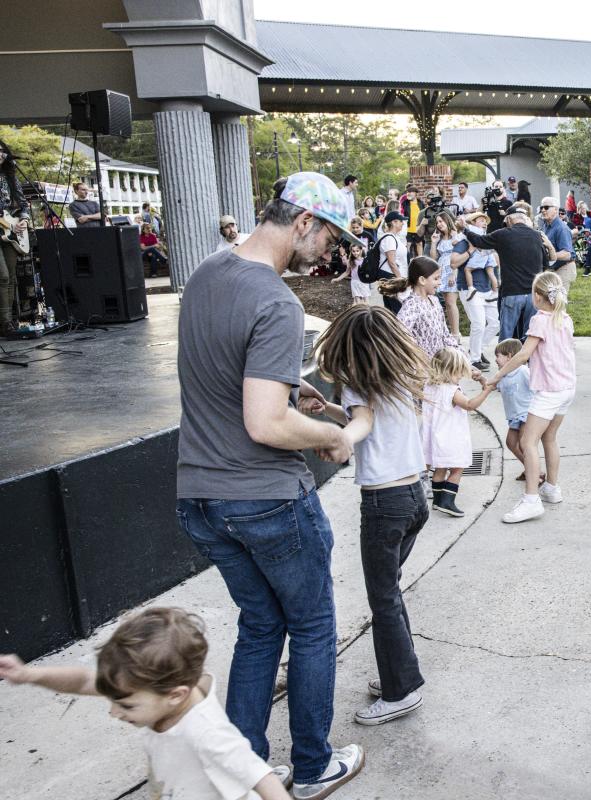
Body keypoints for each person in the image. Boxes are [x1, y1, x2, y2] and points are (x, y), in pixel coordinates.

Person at [174, 171, 365, 798]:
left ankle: (241, 770)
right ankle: (312, 767)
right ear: (303, 221)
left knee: (260, 626)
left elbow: (226, 373)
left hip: (199, 497)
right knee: (311, 628)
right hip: (266, 500)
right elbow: (265, 423)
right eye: (329, 237)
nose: (329, 254)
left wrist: (290, 385)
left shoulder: (206, 272)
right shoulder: (278, 301)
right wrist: (329, 437)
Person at [0, 608, 292, 800]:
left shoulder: (207, 732)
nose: (113, 712)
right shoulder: (152, 690)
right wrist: (28, 674)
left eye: (126, 706)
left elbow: (261, 777)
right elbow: (81, 681)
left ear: (175, 694)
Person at [307, 304, 430, 725]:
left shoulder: (361, 383)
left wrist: (341, 438)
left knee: (383, 599)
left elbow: (361, 422)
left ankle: (402, 691)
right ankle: (401, 672)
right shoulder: (394, 381)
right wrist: (329, 410)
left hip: (384, 505)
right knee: (390, 593)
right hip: (415, 497)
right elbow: (366, 418)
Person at [487, 270, 576, 524]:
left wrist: (497, 376)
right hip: (567, 388)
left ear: (537, 297)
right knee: (550, 437)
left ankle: (531, 500)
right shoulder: (564, 318)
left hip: (549, 391)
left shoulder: (540, 320)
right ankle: (552, 488)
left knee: (527, 442)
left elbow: (523, 355)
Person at [423, 347, 494, 516]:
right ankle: (447, 502)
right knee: (457, 469)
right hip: (451, 437)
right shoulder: (452, 391)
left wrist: (476, 375)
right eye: (459, 373)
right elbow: (470, 405)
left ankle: (438, 501)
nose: (461, 376)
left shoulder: (430, 385)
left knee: (440, 469)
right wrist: (486, 390)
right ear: (450, 371)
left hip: (435, 437)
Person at [465, 207, 552, 341]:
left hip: (512, 293)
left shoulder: (503, 234)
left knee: (506, 337)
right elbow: (545, 264)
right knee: (529, 336)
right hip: (533, 294)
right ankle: (527, 361)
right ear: (524, 219)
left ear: (509, 219)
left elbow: (479, 241)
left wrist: (465, 229)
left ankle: (506, 361)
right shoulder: (537, 235)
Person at [381, 256, 462, 360]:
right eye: (436, 278)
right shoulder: (412, 305)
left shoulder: (435, 301)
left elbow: (445, 335)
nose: (440, 282)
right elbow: (399, 336)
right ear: (422, 280)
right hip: (423, 369)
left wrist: (461, 356)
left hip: (440, 367)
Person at [457, 211, 500, 370]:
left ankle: (476, 349)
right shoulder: (464, 241)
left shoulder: (486, 240)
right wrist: (470, 251)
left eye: (485, 220)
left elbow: (493, 262)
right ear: (472, 223)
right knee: (479, 324)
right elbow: (453, 262)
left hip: (487, 288)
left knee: (496, 323)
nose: (484, 222)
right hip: (471, 288)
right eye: (481, 220)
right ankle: (474, 360)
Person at [493, 337, 537, 481]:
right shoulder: (503, 376)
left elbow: (536, 386)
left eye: (498, 356)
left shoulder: (523, 371)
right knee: (511, 443)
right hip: (514, 417)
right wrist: (481, 379)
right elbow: (492, 386)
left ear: (509, 357)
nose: (495, 359)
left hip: (526, 414)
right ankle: (530, 467)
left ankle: (537, 473)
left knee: (525, 445)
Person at [0, 140, 30, 333]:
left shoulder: (10, 177)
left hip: (11, 232)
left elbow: (23, 204)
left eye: (3, 151)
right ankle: (3, 321)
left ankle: (8, 321)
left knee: (11, 277)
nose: (1, 154)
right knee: (2, 276)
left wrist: (23, 221)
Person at [431, 209, 464, 341]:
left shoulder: (455, 234)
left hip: (452, 269)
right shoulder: (440, 237)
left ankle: (456, 334)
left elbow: (458, 253)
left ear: (447, 220)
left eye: (441, 221)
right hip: (441, 269)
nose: (439, 224)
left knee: (451, 302)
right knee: (446, 303)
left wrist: (453, 273)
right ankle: (451, 331)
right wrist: (433, 242)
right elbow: (433, 258)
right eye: (437, 222)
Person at [538, 195, 576, 294]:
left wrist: (549, 256)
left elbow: (567, 254)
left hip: (564, 268)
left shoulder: (561, 228)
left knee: (558, 302)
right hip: (552, 269)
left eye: (546, 207)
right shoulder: (545, 226)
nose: (543, 210)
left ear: (555, 210)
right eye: (541, 207)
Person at [376, 210, 407, 314]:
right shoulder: (389, 238)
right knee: (397, 309)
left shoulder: (394, 237)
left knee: (391, 309)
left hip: (391, 275)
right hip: (390, 276)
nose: (403, 223)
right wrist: (401, 279)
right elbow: (392, 262)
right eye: (401, 221)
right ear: (394, 222)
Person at [332, 240, 370, 304]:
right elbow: (346, 272)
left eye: (357, 251)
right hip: (354, 282)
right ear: (351, 251)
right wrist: (337, 279)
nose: (355, 253)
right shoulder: (351, 261)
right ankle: (359, 313)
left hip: (363, 282)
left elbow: (369, 272)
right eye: (353, 251)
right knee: (357, 302)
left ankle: (366, 313)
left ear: (361, 250)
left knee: (366, 301)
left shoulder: (365, 260)